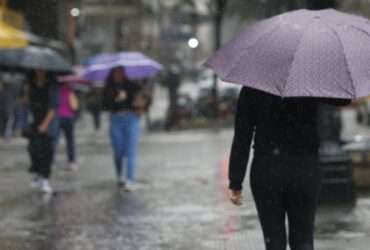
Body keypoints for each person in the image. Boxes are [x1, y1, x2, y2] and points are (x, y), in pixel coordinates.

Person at [228, 87, 349, 250]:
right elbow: (343, 99)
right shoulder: (308, 82)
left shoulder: (253, 87)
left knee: (274, 242)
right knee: (303, 240)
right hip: (304, 169)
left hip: (267, 170)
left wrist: (235, 181)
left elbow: (242, 136)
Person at [102, 66, 146, 190]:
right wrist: (116, 99)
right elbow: (104, 105)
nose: (118, 75)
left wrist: (136, 100)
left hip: (131, 119)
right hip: (116, 119)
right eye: (116, 72)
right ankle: (120, 175)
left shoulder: (131, 86)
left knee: (130, 150)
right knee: (118, 151)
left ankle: (130, 179)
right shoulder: (108, 88)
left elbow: (142, 99)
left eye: (120, 72)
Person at [27, 70, 58, 194]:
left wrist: (45, 124)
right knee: (33, 149)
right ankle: (37, 173)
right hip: (34, 121)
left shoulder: (51, 86)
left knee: (46, 152)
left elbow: (53, 108)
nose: (39, 72)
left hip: (48, 123)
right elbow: (25, 102)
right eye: (37, 69)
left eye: (41, 70)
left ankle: (45, 179)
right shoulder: (31, 84)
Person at [56, 82, 79, 171]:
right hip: (68, 118)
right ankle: (72, 162)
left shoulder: (54, 89)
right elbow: (75, 106)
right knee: (70, 141)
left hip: (57, 118)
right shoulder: (69, 90)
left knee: (54, 140)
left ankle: (49, 159)